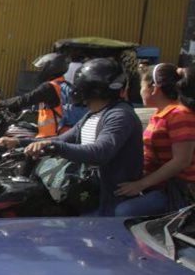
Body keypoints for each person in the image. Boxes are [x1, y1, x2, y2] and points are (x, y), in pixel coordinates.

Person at [25, 58, 143, 216]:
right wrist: (18, 142)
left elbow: (99, 152)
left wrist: (54, 147)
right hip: (89, 190)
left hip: (108, 199)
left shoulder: (119, 115)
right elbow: (61, 139)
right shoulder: (94, 114)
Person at [113, 63, 194, 216]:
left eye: (142, 86)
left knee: (124, 211)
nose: (140, 91)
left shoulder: (180, 115)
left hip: (176, 190)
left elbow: (181, 160)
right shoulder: (161, 114)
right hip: (156, 185)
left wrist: (140, 185)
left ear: (154, 88)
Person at [0, 53, 77, 148]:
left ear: (50, 68)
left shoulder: (49, 87)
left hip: (49, 136)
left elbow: (26, 99)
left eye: (42, 68)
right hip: (63, 133)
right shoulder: (64, 85)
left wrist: (2, 103)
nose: (40, 71)